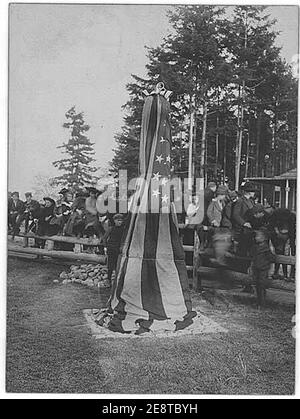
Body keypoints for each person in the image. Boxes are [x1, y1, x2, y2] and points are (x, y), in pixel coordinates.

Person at [268, 208, 296, 281]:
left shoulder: (289, 218)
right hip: (280, 235)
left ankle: (285, 274)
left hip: (284, 235)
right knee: (281, 252)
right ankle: (286, 274)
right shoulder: (277, 218)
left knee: (282, 253)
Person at [251, 228, 275, 307]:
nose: (256, 238)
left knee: (261, 285)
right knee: (257, 285)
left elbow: (272, 258)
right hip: (256, 268)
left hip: (263, 270)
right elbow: (253, 257)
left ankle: (262, 303)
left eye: (258, 236)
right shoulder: (255, 247)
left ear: (264, 238)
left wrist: (268, 267)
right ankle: (258, 302)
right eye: (256, 236)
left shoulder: (266, 249)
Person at [232, 182, 257, 257]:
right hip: (241, 229)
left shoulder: (251, 201)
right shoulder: (240, 201)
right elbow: (235, 215)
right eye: (253, 191)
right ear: (249, 192)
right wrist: (244, 223)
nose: (254, 193)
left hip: (250, 227)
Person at [104, 213, 125, 285]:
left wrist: (122, 246)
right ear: (115, 221)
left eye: (121, 220)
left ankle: (117, 280)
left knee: (117, 264)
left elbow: (124, 239)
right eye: (118, 220)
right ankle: (108, 279)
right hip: (111, 248)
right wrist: (106, 246)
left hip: (118, 249)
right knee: (110, 264)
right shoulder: (111, 229)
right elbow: (104, 238)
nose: (120, 222)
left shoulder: (123, 230)